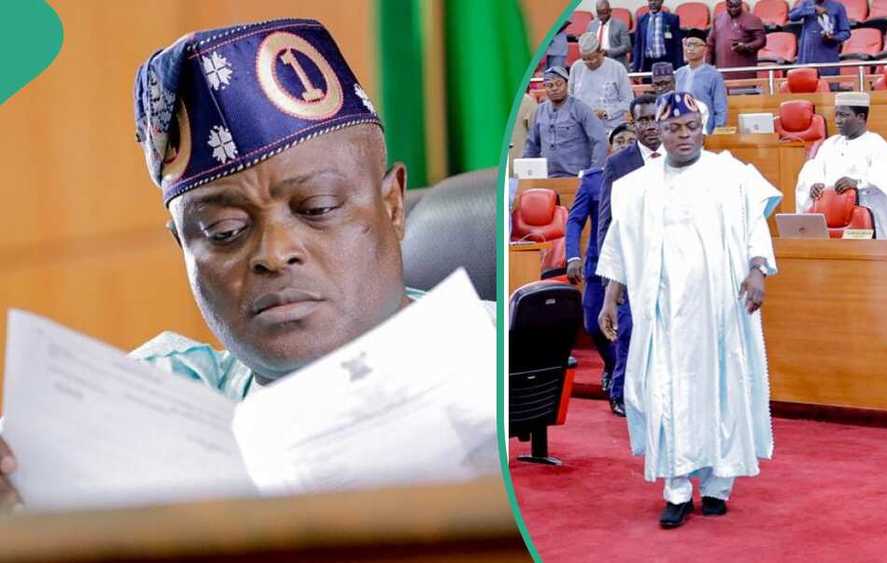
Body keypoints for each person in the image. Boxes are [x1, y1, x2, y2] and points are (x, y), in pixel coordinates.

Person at [0, 19, 494, 509]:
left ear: (392, 206)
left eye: (317, 208)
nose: (274, 253)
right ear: (183, 248)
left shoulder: (513, 356)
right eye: (224, 231)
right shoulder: (152, 400)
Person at [597, 91, 781, 529]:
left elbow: (755, 227)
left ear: (703, 129)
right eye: (673, 128)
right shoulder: (637, 187)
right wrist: (610, 296)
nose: (683, 136)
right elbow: (620, 244)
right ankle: (676, 490)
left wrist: (758, 270)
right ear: (658, 133)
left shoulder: (731, 175)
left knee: (723, 391)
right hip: (664, 314)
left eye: (691, 127)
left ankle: (718, 486)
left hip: (720, 310)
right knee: (668, 395)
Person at [596, 94, 662, 417]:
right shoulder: (618, 164)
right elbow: (607, 220)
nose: (649, 126)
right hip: (632, 266)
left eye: (654, 118)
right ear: (633, 125)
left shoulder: (679, 158)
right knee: (629, 330)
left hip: (670, 262)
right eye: (643, 120)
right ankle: (620, 392)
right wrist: (610, 276)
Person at [564, 131, 634, 407]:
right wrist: (572, 256)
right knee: (593, 325)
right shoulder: (593, 179)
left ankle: (621, 385)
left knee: (626, 326)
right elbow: (575, 220)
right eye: (619, 141)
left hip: (632, 266)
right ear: (610, 147)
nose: (625, 145)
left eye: (630, 141)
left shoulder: (647, 176)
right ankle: (612, 364)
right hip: (598, 266)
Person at [794, 92, 887, 239]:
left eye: (843, 115)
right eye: (836, 115)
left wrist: (858, 183)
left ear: (860, 117)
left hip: (865, 219)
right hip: (830, 216)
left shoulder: (877, 145)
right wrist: (815, 183)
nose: (837, 120)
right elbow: (813, 170)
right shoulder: (829, 144)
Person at [523, 66, 608, 178]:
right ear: (545, 88)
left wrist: (593, 172)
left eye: (559, 84)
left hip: (576, 176)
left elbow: (600, 140)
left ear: (567, 84)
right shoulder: (540, 111)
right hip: (547, 176)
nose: (554, 88)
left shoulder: (580, 108)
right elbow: (532, 145)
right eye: (550, 85)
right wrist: (526, 171)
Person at [569, 32, 635, 131]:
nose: (588, 62)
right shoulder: (576, 67)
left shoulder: (617, 68)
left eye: (592, 59)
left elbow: (628, 101)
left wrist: (606, 112)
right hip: (582, 128)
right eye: (584, 59)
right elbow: (570, 98)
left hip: (610, 128)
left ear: (601, 52)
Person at [675, 29, 728, 134]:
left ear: (705, 49)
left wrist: (718, 130)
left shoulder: (714, 75)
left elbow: (720, 108)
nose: (691, 48)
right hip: (682, 130)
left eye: (696, 45)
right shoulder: (680, 73)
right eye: (688, 45)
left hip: (705, 129)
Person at [706, 0, 767, 80]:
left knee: (744, 86)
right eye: (730, 6)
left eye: (736, 6)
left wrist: (746, 47)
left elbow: (761, 40)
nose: (733, 9)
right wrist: (707, 67)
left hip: (744, 72)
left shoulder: (753, 19)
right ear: (726, 4)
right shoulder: (718, 19)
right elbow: (710, 45)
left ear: (741, 4)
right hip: (722, 71)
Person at [788, 0, 851, 76]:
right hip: (807, 57)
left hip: (828, 58)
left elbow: (845, 32)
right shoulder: (806, 3)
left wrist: (833, 38)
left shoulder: (837, 6)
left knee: (829, 82)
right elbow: (792, 16)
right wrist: (813, 9)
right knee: (806, 81)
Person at [650, 62, 710, 133]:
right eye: (657, 84)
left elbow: (702, 134)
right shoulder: (650, 108)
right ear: (653, 86)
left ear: (674, 83)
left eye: (666, 83)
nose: (661, 88)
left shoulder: (697, 106)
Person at [632, 0, 683, 73]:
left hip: (666, 61)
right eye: (650, 0)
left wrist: (679, 68)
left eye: (656, 0)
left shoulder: (671, 19)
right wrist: (635, 68)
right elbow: (638, 45)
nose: (653, 3)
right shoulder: (641, 20)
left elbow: (677, 45)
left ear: (662, 1)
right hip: (647, 63)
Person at [587, 0, 632, 67]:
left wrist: (608, 52)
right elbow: (588, 44)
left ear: (610, 11)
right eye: (599, 13)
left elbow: (627, 47)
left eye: (604, 13)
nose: (601, 16)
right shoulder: (591, 25)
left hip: (615, 63)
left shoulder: (620, 25)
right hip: (597, 63)